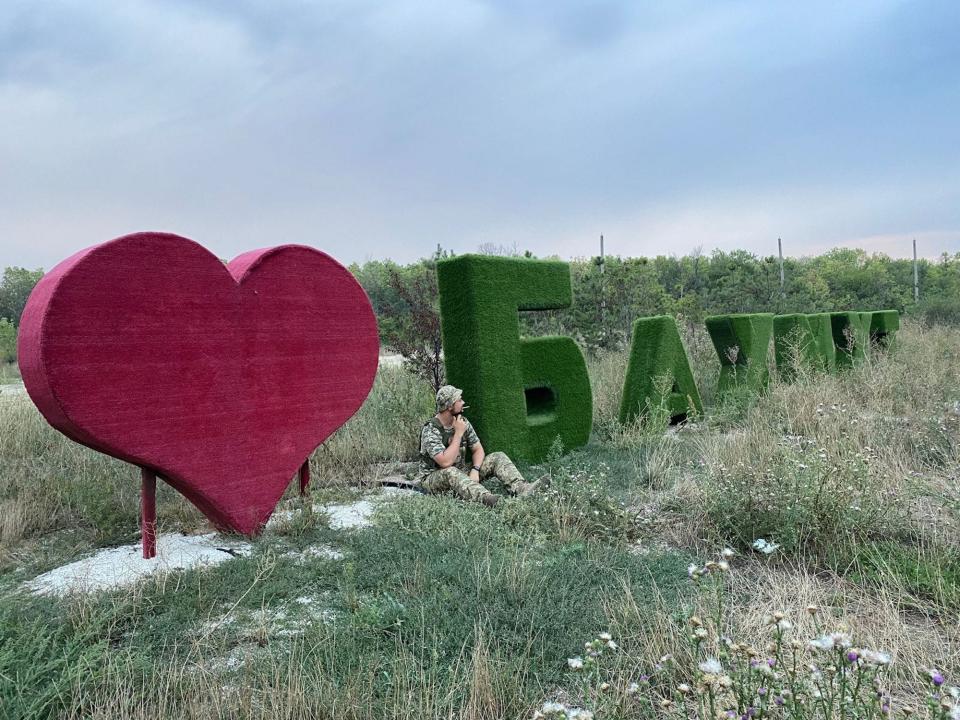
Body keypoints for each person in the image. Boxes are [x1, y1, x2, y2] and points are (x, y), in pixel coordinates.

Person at [418, 385, 545, 507]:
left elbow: (478, 449)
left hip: (460, 472)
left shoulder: (462, 422)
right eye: (459, 400)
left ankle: (522, 488)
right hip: (433, 480)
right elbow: (445, 462)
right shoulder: (431, 430)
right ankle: (488, 500)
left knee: (497, 457)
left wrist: (475, 469)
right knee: (450, 472)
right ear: (449, 406)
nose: (463, 402)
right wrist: (458, 434)